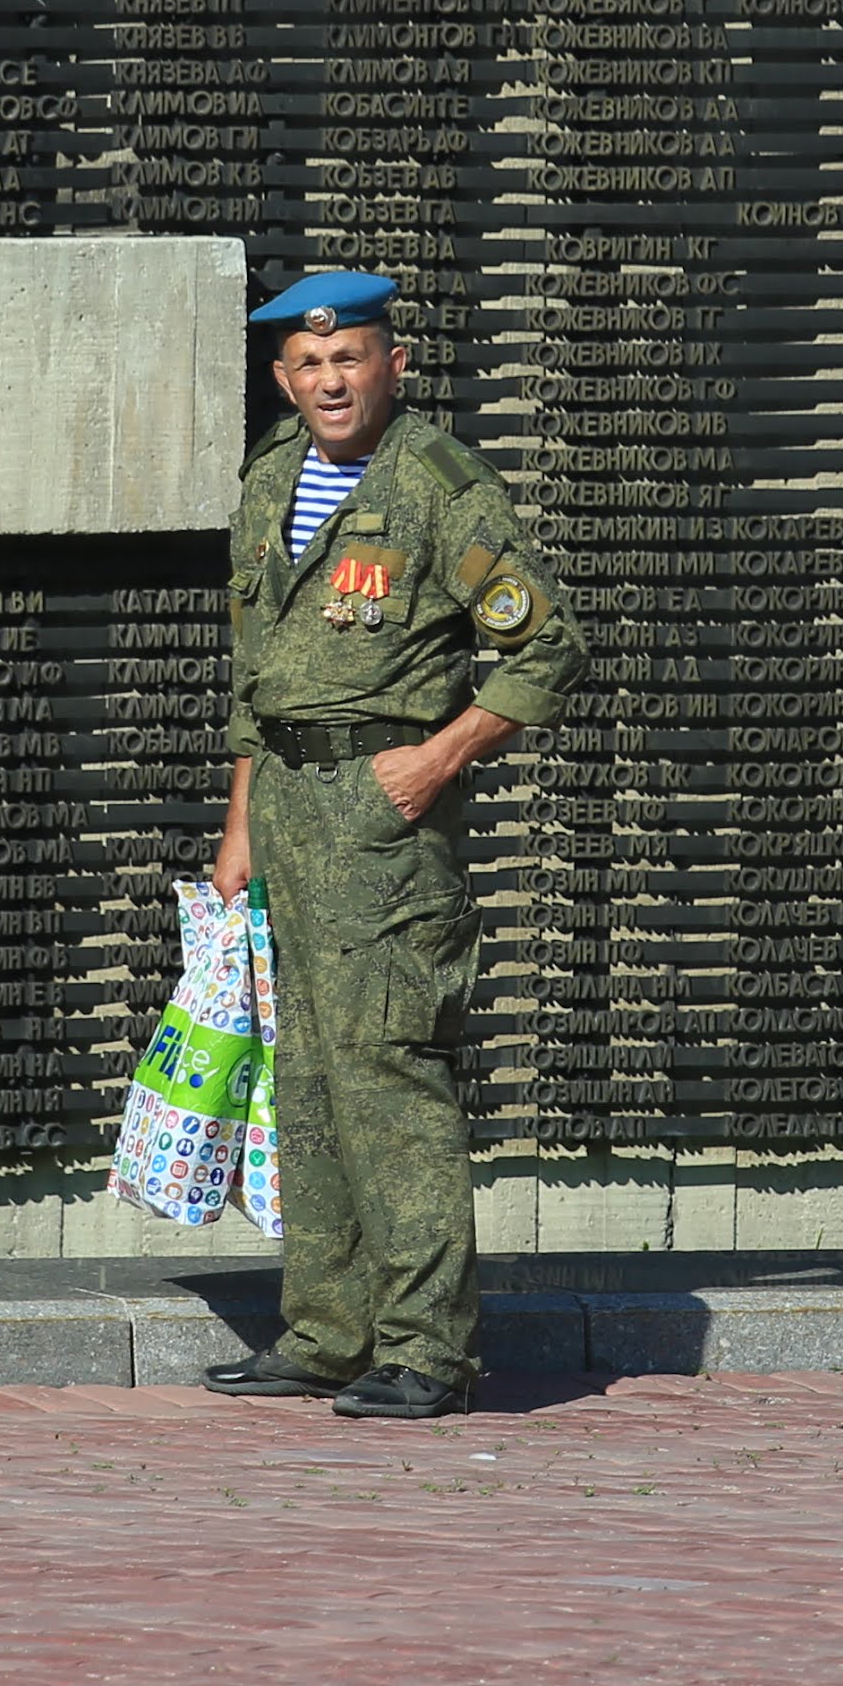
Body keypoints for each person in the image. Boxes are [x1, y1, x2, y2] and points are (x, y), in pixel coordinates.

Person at [200, 269, 587, 1419]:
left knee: (388, 1070)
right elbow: (256, 673)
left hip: (382, 821)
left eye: (349, 357)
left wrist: (437, 758)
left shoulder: (435, 483)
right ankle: (328, 1332)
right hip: (285, 805)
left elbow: (547, 648)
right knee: (308, 1079)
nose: (330, 380)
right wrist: (239, 823)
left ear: (392, 365)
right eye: (308, 364)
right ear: (284, 379)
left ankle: (427, 1348)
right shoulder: (271, 474)